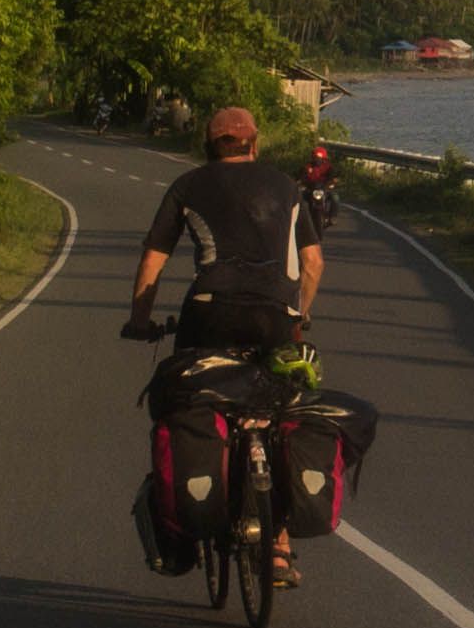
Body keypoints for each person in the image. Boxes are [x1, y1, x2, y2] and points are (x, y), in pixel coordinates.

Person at [128, 104, 329, 576]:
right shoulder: (285, 185)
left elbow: (153, 262)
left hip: (209, 316)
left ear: (208, 144)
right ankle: (278, 545)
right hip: (276, 318)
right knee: (282, 413)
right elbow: (314, 263)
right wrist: (299, 314)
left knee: (184, 403)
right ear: (254, 143)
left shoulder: (188, 186)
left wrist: (140, 319)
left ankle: (182, 529)